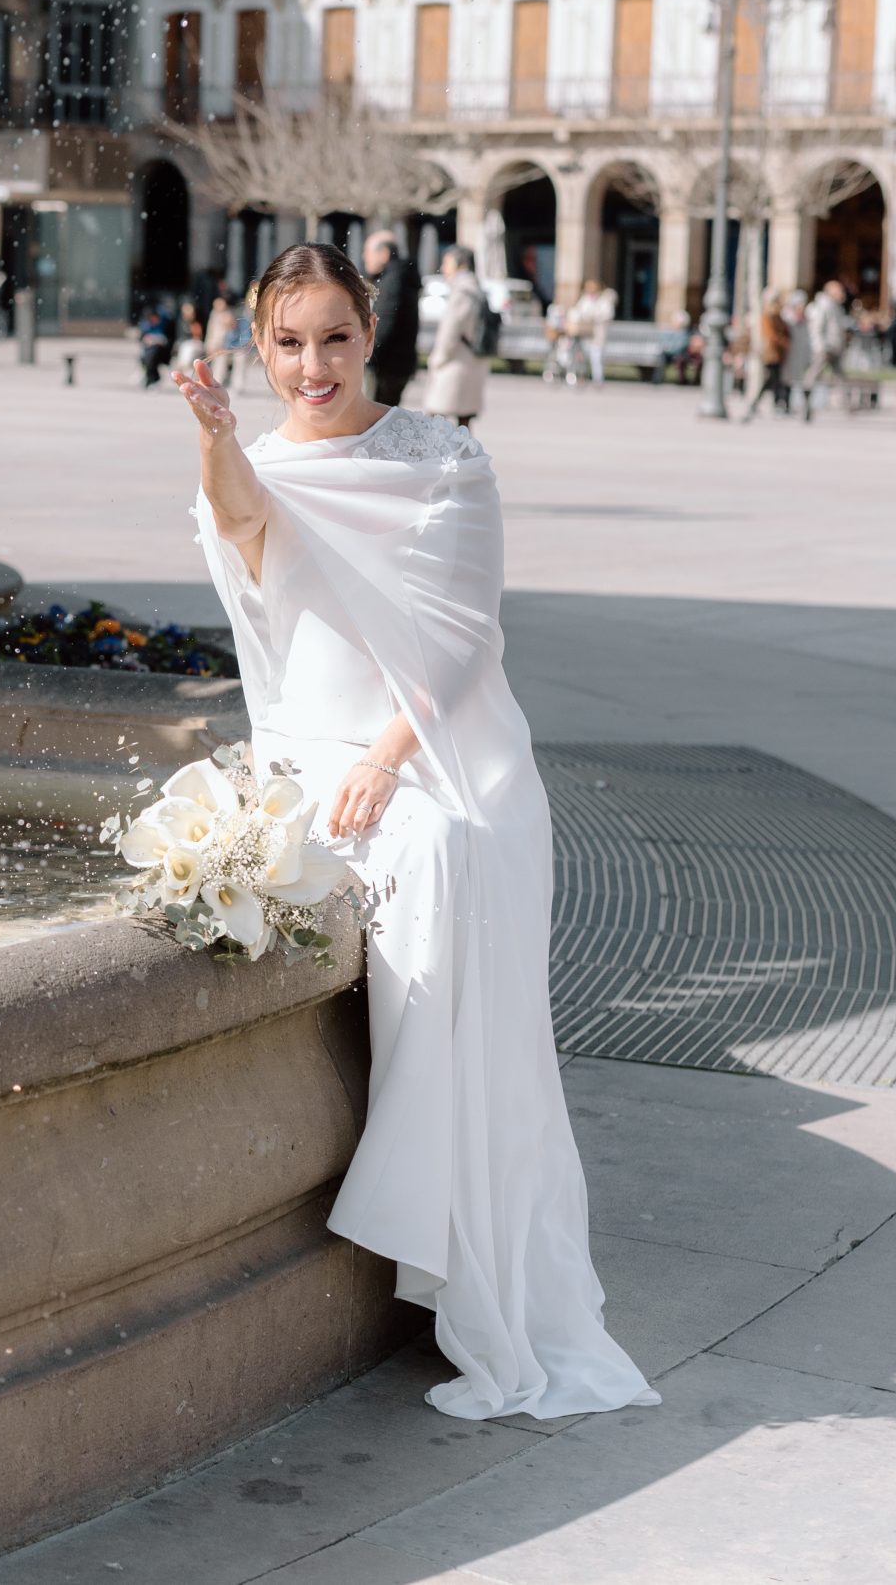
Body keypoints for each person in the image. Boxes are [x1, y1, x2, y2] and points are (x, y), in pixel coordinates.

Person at [171, 241, 661, 1423]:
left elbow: (462, 639)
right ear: (258, 342)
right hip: (312, 748)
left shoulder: (443, 458)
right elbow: (246, 534)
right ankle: (419, 1217)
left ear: (372, 327)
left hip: (439, 747)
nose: (313, 365)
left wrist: (391, 764)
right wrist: (214, 434)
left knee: (442, 852)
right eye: (288, 342)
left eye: (334, 336)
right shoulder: (258, 457)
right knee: (348, 862)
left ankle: (456, 1233)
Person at [420, 244, 489, 428]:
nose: (443, 268)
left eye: (447, 262)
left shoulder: (463, 291)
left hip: (456, 363)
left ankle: (442, 457)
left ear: (461, 265)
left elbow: (450, 330)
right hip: (471, 360)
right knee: (463, 421)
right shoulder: (476, 288)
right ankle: (463, 456)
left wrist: (438, 359)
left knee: (436, 419)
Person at [362, 230, 423, 405]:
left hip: (387, 364)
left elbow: (385, 322)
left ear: (384, 253)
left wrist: (369, 354)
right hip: (398, 363)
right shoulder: (400, 275)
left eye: (368, 252)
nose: (364, 257)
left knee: (376, 418)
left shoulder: (393, 280)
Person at [797, 279, 851, 406]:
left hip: (834, 347)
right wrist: (820, 346)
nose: (842, 293)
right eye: (839, 290)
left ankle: (846, 403)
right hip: (825, 348)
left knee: (839, 376)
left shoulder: (835, 306)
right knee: (814, 374)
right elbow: (817, 328)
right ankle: (805, 399)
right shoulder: (824, 305)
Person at [742, 299, 794, 419]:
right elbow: (770, 335)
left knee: (773, 380)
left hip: (780, 354)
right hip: (771, 354)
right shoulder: (766, 317)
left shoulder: (779, 318)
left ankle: (760, 404)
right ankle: (774, 404)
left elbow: (786, 332)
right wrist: (784, 342)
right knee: (772, 380)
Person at [569, 278, 615, 385]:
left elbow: (607, 315)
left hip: (598, 333)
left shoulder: (604, 299)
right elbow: (577, 312)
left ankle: (597, 379)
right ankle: (581, 376)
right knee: (581, 354)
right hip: (584, 332)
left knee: (596, 356)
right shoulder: (585, 299)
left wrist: (593, 316)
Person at [136, 302, 173, 389]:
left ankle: (152, 378)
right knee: (149, 357)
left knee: (152, 356)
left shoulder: (166, 324)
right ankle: (152, 378)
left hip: (161, 351)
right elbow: (141, 338)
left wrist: (161, 342)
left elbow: (170, 340)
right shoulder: (146, 326)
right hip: (149, 350)